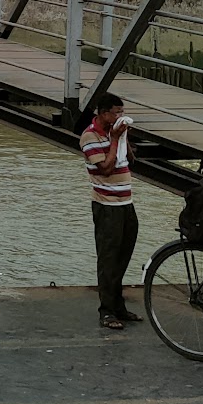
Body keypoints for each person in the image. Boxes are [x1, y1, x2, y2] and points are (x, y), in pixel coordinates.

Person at [81, 93, 139, 330]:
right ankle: (106, 311)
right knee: (108, 259)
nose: (119, 116)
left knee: (123, 256)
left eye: (122, 112)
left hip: (126, 203)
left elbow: (131, 161)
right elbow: (106, 168)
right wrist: (114, 139)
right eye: (116, 113)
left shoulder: (115, 134)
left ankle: (118, 306)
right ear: (103, 113)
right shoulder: (90, 136)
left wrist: (123, 137)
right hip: (107, 206)